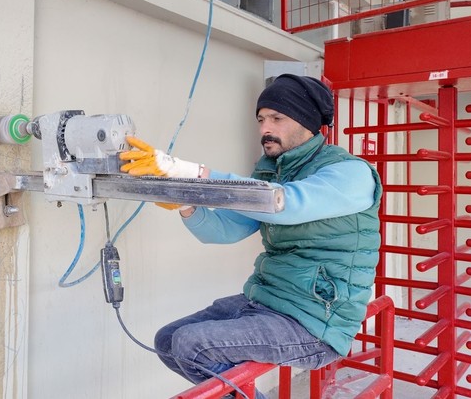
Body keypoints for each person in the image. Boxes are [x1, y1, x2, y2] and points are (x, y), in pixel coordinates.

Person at [118, 74, 382, 397]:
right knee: (167, 341)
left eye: (276, 118)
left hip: (316, 321)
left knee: (191, 346)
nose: (264, 129)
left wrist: (193, 173)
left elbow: (286, 204)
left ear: (306, 122)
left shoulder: (350, 173)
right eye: (260, 119)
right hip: (267, 299)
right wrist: (187, 204)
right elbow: (226, 229)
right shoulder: (270, 170)